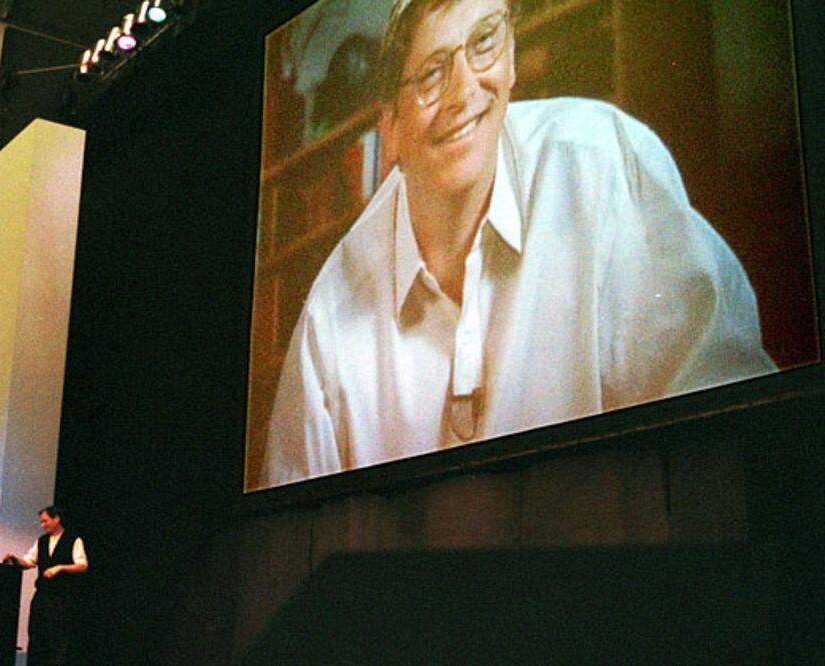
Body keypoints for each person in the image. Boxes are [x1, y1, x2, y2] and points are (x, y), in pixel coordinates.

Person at [255, 0, 777, 490]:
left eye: (484, 41)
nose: (466, 93)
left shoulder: (602, 163)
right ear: (390, 129)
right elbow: (296, 533)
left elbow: (731, 435)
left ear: (509, 60)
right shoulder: (331, 312)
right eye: (433, 72)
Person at [3, 506, 88, 666]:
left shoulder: (73, 539)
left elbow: (82, 565)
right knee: (37, 636)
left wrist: (61, 567)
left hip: (61, 598)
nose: (43, 525)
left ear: (57, 519)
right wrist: (15, 559)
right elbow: (29, 561)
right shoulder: (42, 541)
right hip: (42, 596)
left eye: (45, 521)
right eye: (41, 522)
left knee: (58, 639)